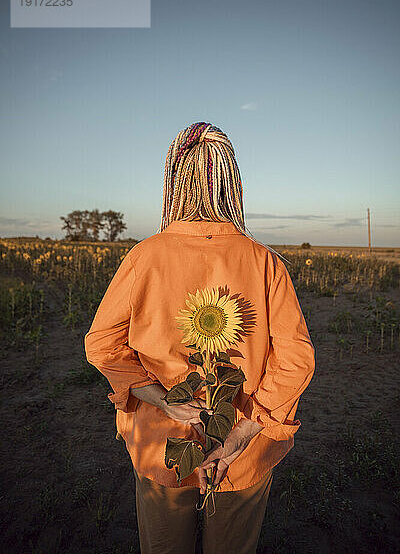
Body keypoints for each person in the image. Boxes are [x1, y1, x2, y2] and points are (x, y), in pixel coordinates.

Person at [84, 121, 315, 554]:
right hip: (242, 453)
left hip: (159, 444)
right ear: (232, 180)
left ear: (174, 177)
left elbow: (102, 343)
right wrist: (243, 432)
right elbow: (296, 360)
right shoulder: (265, 263)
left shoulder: (144, 257)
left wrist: (159, 398)